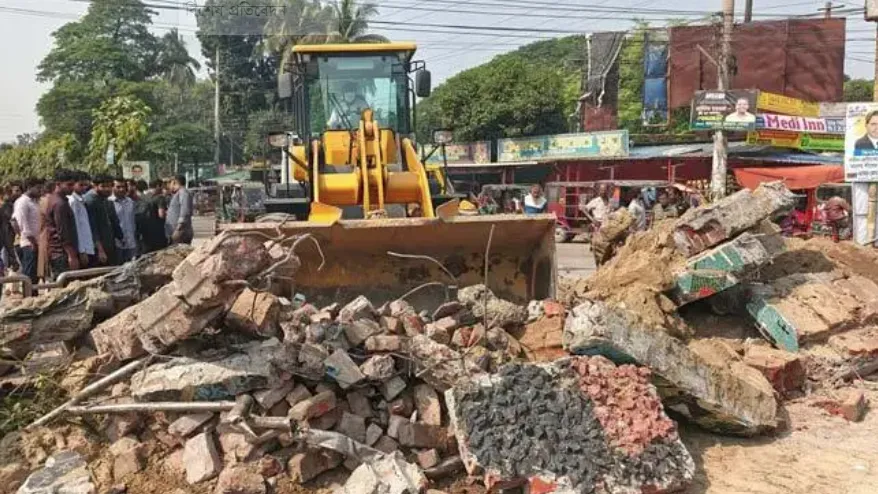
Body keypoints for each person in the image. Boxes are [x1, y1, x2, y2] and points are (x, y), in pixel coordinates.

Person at [45, 170, 80, 277]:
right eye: (69, 185)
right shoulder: (59, 204)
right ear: (58, 184)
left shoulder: (58, 200)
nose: (72, 188)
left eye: (73, 184)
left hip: (59, 252)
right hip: (61, 253)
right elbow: (62, 232)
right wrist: (71, 256)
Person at [84, 174, 121, 267]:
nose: (107, 189)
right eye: (103, 186)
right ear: (95, 186)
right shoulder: (91, 201)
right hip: (99, 250)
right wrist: (100, 250)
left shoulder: (104, 200)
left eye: (109, 186)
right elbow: (93, 228)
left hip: (109, 246)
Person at [12, 178, 41, 287]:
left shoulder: (33, 201)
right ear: (29, 187)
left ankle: (33, 296)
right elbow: (20, 222)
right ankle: (28, 297)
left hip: (36, 242)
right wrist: (31, 240)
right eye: (38, 188)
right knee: (29, 274)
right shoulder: (22, 202)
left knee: (35, 275)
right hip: (29, 244)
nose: (40, 190)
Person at [69, 172, 96, 268]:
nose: (84, 188)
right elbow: (76, 227)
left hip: (88, 245)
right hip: (82, 249)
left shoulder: (81, 199)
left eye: (86, 185)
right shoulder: (73, 201)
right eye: (81, 185)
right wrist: (82, 251)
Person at [111, 178, 138, 264]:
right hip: (116, 244)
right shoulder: (109, 202)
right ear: (112, 188)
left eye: (123, 187)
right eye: (118, 187)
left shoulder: (130, 202)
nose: (121, 189)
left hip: (131, 242)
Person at [138, 180, 168, 254]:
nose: (162, 189)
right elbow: (161, 215)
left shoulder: (143, 197)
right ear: (158, 186)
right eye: (162, 186)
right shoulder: (159, 198)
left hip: (145, 233)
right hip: (158, 233)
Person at [166, 174, 194, 245]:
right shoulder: (178, 193)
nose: (169, 186)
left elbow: (185, 212)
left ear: (175, 182)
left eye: (171, 183)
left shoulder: (183, 193)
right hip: (176, 231)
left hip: (181, 232)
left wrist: (178, 229)